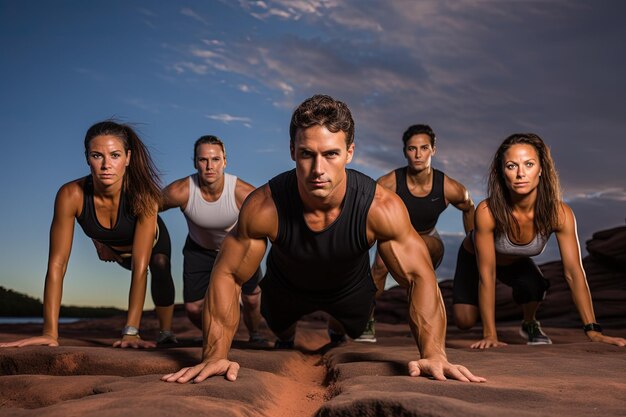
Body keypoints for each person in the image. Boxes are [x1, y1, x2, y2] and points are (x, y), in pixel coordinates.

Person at [162, 94, 485, 383]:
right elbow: (228, 272)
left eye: (331, 154)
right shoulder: (265, 206)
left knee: (345, 330)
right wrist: (215, 356)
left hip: (349, 291)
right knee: (282, 333)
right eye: (307, 154)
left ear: (349, 152)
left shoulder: (379, 207)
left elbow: (418, 275)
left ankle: (335, 326)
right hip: (286, 288)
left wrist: (434, 354)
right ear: (292, 151)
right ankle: (289, 332)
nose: (318, 168)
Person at [0, 121, 176, 349]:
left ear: (128, 158)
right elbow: (57, 264)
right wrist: (50, 333)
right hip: (115, 250)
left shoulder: (144, 196)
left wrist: (131, 332)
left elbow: (140, 268)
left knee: (159, 263)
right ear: (86, 158)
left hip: (150, 248)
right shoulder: (70, 195)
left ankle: (166, 331)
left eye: (115, 155)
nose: (106, 165)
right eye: (97, 155)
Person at [452, 133, 626, 349]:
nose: (521, 174)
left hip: (514, 263)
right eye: (511, 166)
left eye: (529, 164)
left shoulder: (560, 214)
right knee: (465, 321)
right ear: (501, 172)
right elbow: (487, 275)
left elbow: (574, 272)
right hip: (474, 259)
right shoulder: (487, 211)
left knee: (536, 286)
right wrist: (490, 335)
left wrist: (593, 330)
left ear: (541, 169)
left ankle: (530, 323)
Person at [356, 124, 474, 343]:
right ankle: (368, 319)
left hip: (428, 237)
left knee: (422, 250)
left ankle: (423, 321)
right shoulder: (388, 183)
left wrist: (473, 242)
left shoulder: (449, 187)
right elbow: (366, 212)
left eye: (424, 148)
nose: (418, 154)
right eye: (412, 149)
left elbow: (468, 207)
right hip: (393, 236)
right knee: (379, 268)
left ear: (433, 150)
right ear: (405, 152)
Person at [161, 135, 265, 343]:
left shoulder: (242, 192)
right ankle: (217, 334)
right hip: (199, 249)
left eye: (215, 159)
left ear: (224, 161)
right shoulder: (181, 191)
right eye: (203, 160)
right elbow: (145, 211)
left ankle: (255, 336)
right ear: (195, 162)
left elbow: (269, 220)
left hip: (237, 247)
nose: (210, 166)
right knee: (192, 308)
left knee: (252, 299)